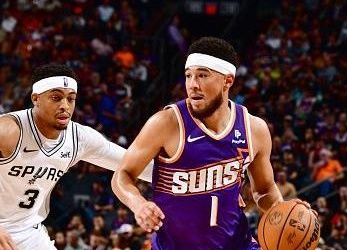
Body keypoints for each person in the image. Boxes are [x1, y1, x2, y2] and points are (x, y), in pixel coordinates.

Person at [112, 37, 287, 249]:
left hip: (237, 244)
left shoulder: (254, 129)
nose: (192, 85)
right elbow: (122, 174)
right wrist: (138, 204)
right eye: (188, 76)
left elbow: (266, 189)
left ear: (227, 81)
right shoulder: (166, 123)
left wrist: (285, 213)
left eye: (203, 75)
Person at [0, 64, 152, 250]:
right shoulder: (9, 130)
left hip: (29, 231)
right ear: (36, 99)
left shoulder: (79, 138)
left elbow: (132, 163)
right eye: (56, 98)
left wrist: (184, 178)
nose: (65, 106)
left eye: (71, 99)